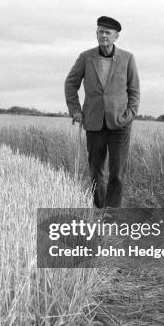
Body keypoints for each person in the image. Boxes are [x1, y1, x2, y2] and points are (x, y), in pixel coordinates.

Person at [64, 16, 140, 208]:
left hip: (120, 123)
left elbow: (134, 90)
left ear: (116, 36)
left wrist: (130, 114)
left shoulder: (127, 58)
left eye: (107, 32)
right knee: (96, 171)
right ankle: (99, 210)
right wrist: (75, 111)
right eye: (100, 31)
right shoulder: (86, 57)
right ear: (96, 33)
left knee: (117, 173)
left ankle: (112, 216)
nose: (103, 35)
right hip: (94, 122)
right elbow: (71, 84)